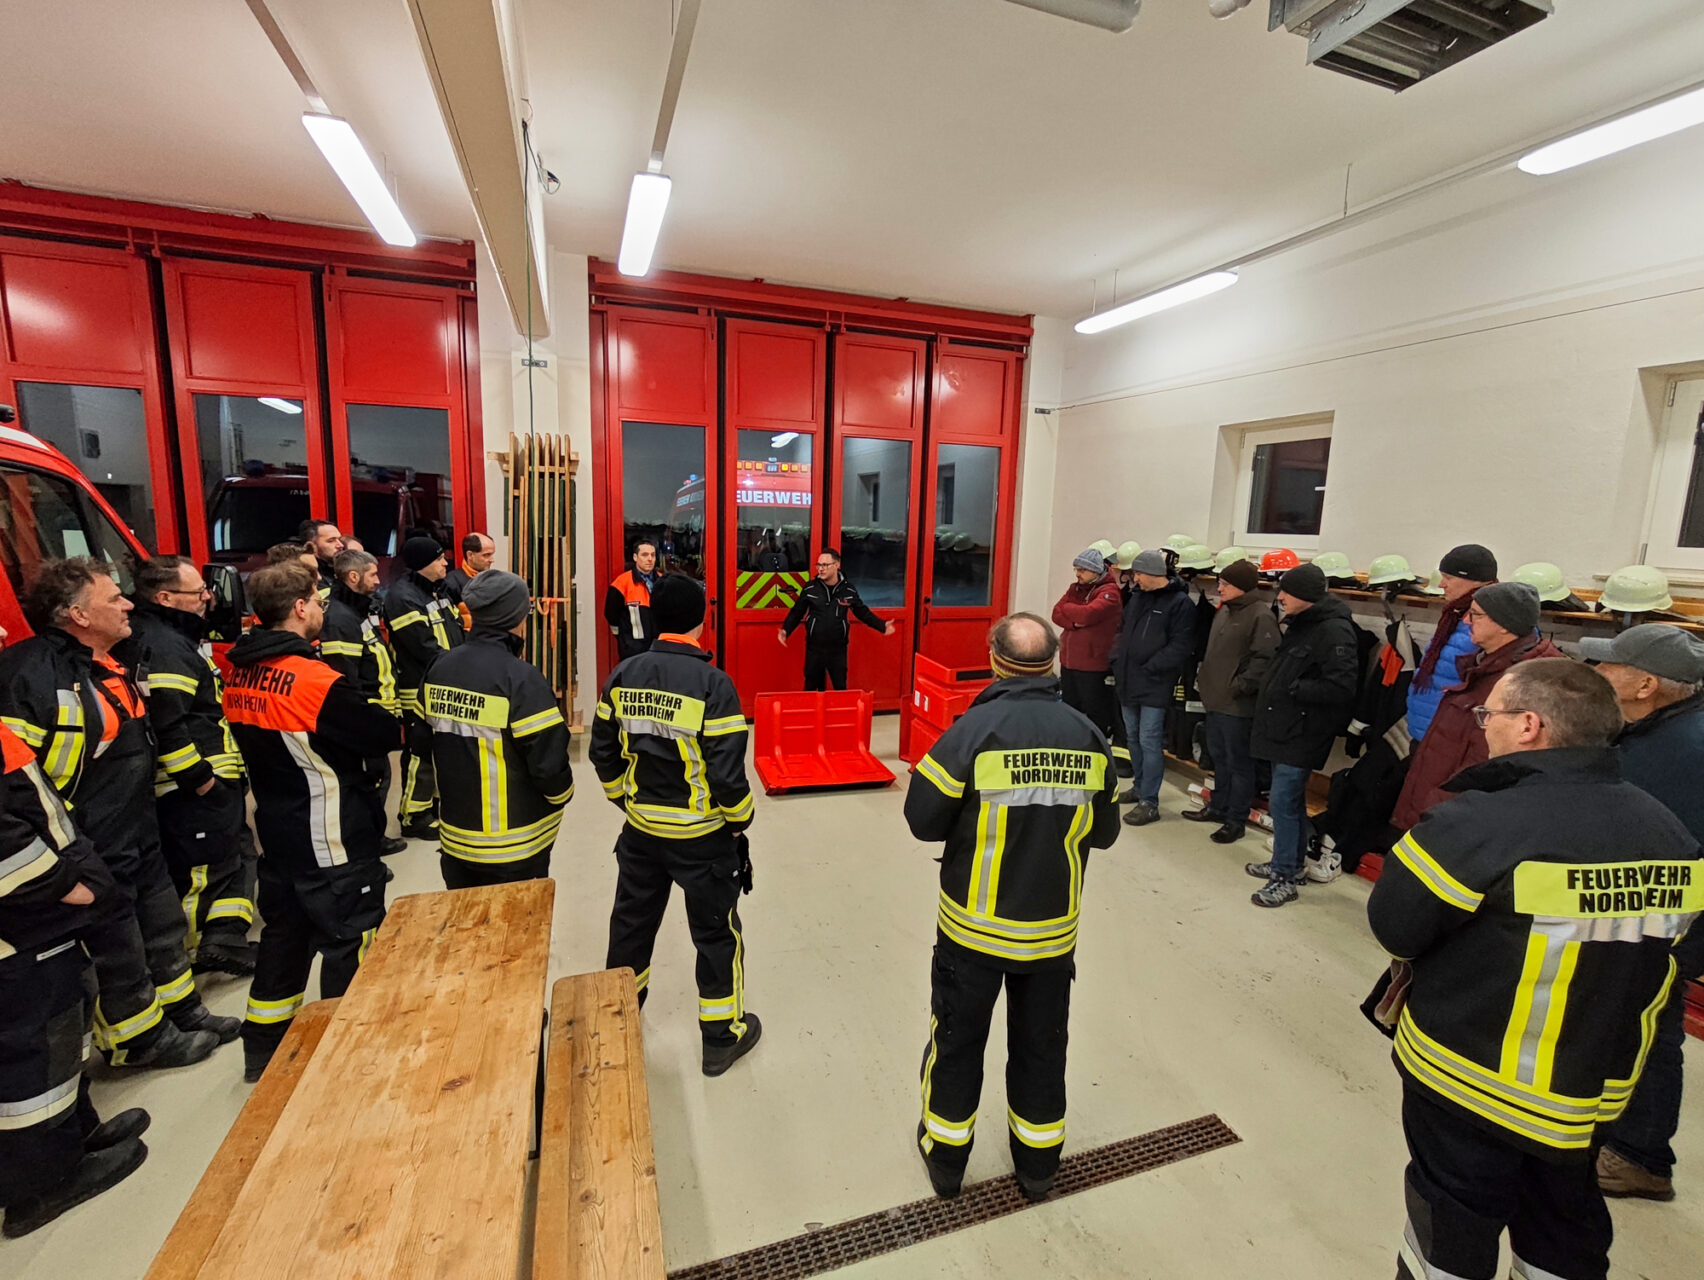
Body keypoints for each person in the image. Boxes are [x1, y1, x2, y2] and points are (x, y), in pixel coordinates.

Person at [1366, 659, 1702, 1280]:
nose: (1484, 726)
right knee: (1562, 1227)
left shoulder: (1472, 825)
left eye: (1488, 714)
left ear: (1528, 725)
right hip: (1591, 1092)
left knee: (1451, 1223)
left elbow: (1397, 929)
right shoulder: (1672, 837)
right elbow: (1685, 952)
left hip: (1470, 1080)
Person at [904, 613, 1120, 1202]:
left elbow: (922, 820)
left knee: (957, 1042)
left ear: (994, 661)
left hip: (973, 932)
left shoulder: (971, 733)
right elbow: (1104, 834)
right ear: (1053, 663)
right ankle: (1039, 1167)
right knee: (1042, 1046)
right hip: (1051, 934)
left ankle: (947, 1161)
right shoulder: (1089, 736)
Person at [0, 558, 232, 1067]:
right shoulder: (29, 676)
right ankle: (139, 1040)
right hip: (86, 841)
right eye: (113, 598)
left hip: (137, 827)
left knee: (163, 926)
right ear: (78, 615)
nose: (128, 604)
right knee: (117, 946)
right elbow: (17, 788)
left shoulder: (114, 661)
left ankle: (181, 1010)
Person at [0, 620, 151, 1238]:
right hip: (22, 919)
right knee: (33, 1053)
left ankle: (76, 1135)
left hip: (40, 913)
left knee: (62, 1029)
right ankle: (41, 1186)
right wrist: (66, 883)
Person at [223, 562, 402, 1082]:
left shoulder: (240, 673)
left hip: (279, 836)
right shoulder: (314, 681)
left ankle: (264, 1048)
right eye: (318, 601)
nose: (323, 607)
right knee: (352, 941)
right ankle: (346, 1055)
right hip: (332, 838)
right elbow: (380, 733)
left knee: (284, 941)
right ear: (300, 607)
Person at [591, 575, 761, 1077]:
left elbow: (603, 752)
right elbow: (727, 773)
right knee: (716, 934)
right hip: (702, 838)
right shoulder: (714, 685)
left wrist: (624, 800)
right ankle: (720, 1038)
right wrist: (739, 821)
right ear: (701, 620)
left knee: (631, 927)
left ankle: (615, 1024)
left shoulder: (623, 674)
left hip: (642, 833)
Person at [1580, 625, 1704, 1201]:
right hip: (1653, 912)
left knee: (1649, 1021)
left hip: (1673, 919)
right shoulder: (1660, 731)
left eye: (1609, 666)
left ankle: (1641, 1157)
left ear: (1645, 684)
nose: (1598, 674)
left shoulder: (1686, 752)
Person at [115, 556, 257, 977]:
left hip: (210, 781)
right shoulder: (163, 645)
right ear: (165, 597)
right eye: (197, 592)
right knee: (200, 872)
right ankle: (193, 955)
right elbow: (168, 721)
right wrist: (200, 780)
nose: (207, 598)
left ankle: (224, 938)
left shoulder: (171, 637)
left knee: (230, 858)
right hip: (191, 787)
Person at [425, 572, 573, 889]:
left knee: (467, 918)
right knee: (517, 921)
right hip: (515, 845)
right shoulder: (521, 678)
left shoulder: (440, 666)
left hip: (456, 840)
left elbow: (423, 741)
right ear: (517, 618)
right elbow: (548, 762)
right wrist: (561, 795)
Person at [1390, 583, 1560, 831]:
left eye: (1476, 614)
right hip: (1437, 807)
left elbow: (1485, 765)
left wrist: (1436, 809)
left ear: (1504, 624)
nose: (1467, 621)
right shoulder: (1481, 668)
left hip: (1450, 819)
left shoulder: (1518, 683)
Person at [1247, 564, 1360, 907]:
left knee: (1283, 802)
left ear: (1307, 596)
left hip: (1303, 732)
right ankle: (1290, 865)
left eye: (1287, 592)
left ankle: (1284, 878)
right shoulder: (1303, 623)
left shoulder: (1334, 631)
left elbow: (1342, 686)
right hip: (1284, 728)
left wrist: (1296, 688)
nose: (1280, 597)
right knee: (1290, 803)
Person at [319, 549, 405, 857]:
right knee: (370, 781)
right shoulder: (340, 619)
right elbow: (345, 679)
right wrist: (363, 722)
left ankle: (373, 838)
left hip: (376, 714)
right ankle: (367, 846)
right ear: (353, 577)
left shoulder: (356, 612)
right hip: (364, 717)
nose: (378, 580)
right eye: (372, 574)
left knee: (378, 778)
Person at [1186, 558, 1279, 843]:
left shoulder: (1260, 615)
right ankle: (1217, 807)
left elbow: (1265, 659)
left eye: (1225, 584)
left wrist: (1239, 686)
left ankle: (1236, 820)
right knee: (1220, 759)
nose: (1219, 588)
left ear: (1241, 587)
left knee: (1239, 764)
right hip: (1216, 699)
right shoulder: (1224, 610)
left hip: (1237, 705)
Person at [384, 535, 465, 838]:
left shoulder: (436, 590)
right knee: (420, 753)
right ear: (422, 564)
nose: (446, 563)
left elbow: (455, 633)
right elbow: (422, 646)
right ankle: (413, 816)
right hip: (418, 689)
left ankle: (434, 805)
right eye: (439, 558)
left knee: (439, 750)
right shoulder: (402, 598)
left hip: (443, 684)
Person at [1110, 549, 1195, 827]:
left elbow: (1181, 645)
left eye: (1137, 574)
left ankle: (1150, 801)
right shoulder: (1137, 598)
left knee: (1149, 740)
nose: (1134, 579)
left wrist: (1151, 667)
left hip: (1155, 683)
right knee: (1132, 738)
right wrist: (1116, 658)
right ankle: (1139, 786)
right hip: (1128, 679)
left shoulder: (1180, 603)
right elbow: (1121, 631)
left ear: (1153, 573)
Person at [1407, 544, 1497, 743]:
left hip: (1450, 736)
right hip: (1429, 728)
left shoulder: (1493, 623)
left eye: (1448, 578)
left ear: (1474, 580)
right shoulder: (1455, 616)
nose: (1441, 584)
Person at [779, 547, 895, 691]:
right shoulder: (810, 589)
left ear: (836, 565)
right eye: (818, 565)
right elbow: (797, 613)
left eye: (825, 565)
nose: (821, 569)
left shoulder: (848, 590)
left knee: (840, 688)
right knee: (811, 688)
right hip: (814, 649)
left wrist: (882, 626)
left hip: (838, 650)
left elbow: (862, 612)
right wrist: (785, 630)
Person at [1050, 547, 1123, 749]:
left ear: (1095, 571)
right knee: (1069, 708)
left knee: (1094, 709)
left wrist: (1070, 610)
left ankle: (1095, 747)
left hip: (1092, 664)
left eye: (1082, 570)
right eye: (1076, 569)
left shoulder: (1110, 593)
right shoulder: (1075, 588)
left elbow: (1088, 614)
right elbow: (1056, 613)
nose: (1077, 574)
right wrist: (1074, 623)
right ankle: (1070, 744)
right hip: (1069, 660)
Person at [605, 538, 660, 661]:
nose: (650, 559)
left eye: (653, 555)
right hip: (633, 650)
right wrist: (624, 640)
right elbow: (611, 615)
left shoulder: (663, 582)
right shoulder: (621, 584)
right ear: (635, 557)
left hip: (659, 647)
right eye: (644, 555)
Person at [294, 519, 344, 600]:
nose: (340, 545)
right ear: (312, 546)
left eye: (339, 540)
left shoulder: (341, 572)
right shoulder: (305, 578)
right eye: (331, 540)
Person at [443, 532, 495, 608]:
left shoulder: (493, 578)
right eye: (486, 555)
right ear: (470, 555)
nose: (492, 560)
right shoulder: (451, 582)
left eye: (492, 554)